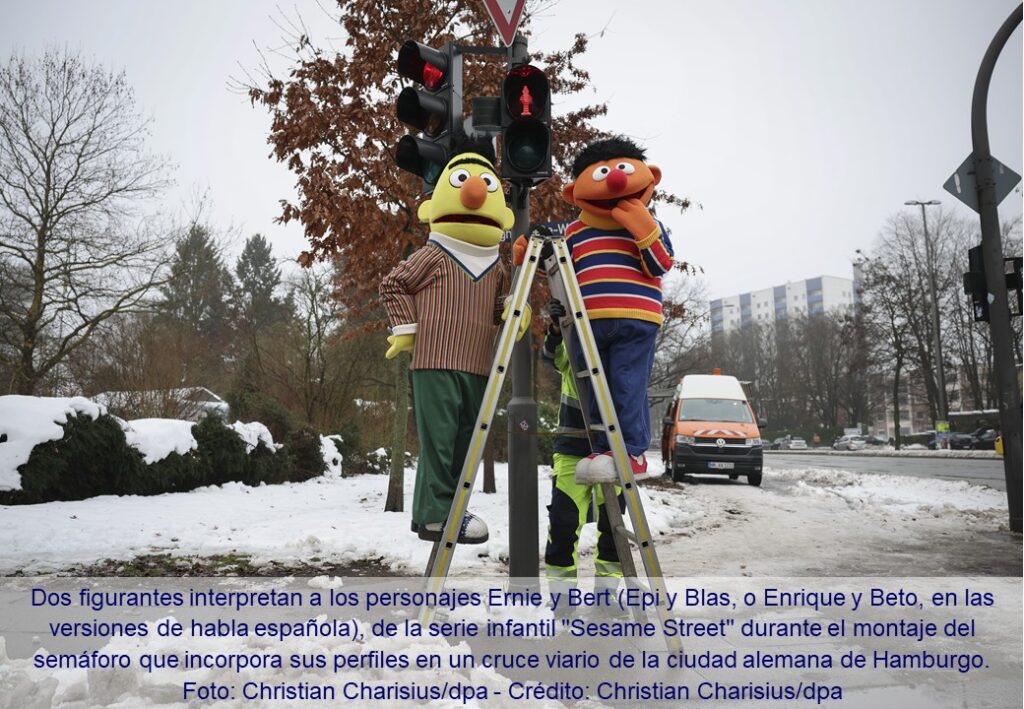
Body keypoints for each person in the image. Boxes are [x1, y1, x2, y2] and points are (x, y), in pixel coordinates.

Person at [379, 139, 529, 544]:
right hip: (436, 360)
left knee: (468, 441)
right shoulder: (435, 254)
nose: (475, 192)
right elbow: (393, 283)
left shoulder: (496, 266)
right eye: (463, 181)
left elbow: (500, 308)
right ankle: (434, 515)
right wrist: (406, 329)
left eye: (486, 185)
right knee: (440, 440)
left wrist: (516, 309)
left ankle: (448, 510)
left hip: (478, 365)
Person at [560, 137, 674, 481]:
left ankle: (632, 452)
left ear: (650, 175)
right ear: (574, 193)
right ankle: (603, 448)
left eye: (623, 169)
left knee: (627, 383)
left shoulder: (650, 225)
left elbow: (660, 265)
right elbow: (562, 271)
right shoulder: (574, 232)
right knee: (595, 387)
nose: (615, 180)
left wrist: (643, 228)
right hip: (589, 321)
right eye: (602, 173)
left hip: (636, 319)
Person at [542, 298, 624, 594]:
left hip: (612, 450)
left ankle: (607, 594)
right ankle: (562, 597)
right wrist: (556, 329)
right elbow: (552, 356)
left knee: (613, 529)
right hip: (572, 449)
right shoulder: (575, 347)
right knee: (563, 525)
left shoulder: (621, 353)